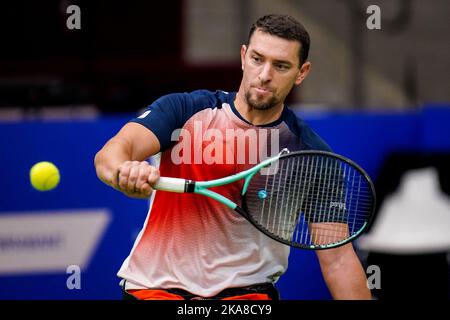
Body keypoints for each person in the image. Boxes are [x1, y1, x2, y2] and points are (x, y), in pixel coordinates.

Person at [94, 14, 372, 300]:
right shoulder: (184, 110)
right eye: (257, 59)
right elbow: (110, 155)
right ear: (243, 56)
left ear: (302, 72)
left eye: (281, 66)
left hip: (245, 298)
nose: (265, 75)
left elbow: (338, 261)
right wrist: (122, 172)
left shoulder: (311, 153)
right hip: (154, 291)